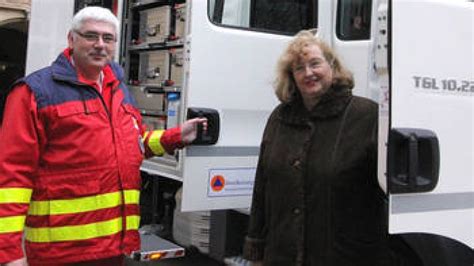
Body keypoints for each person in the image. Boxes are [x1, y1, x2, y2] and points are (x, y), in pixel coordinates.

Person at [0, 6, 206, 266]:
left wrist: (175, 136)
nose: (100, 45)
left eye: (107, 38)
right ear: (71, 39)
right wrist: (9, 252)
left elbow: (134, 143)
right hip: (60, 253)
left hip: (113, 248)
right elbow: (12, 177)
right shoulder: (35, 92)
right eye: (90, 36)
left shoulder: (118, 90)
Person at [243, 30, 391, 265]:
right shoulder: (279, 118)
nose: (308, 73)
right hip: (282, 256)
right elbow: (262, 186)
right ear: (291, 76)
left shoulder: (367, 116)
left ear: (332, 66)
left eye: (315, 63)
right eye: (299, 68)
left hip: (344, 256)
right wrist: (256, 247)